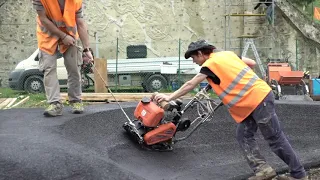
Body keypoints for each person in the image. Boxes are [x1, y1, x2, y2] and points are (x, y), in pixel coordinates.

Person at [153, 40, 307, 180]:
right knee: (243, 135)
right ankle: (263, 170)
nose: (194, 62)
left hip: (258, 100)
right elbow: (251, 63)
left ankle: (299, 175)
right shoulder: (227, 54)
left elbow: (190, 85)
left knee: (275, 139)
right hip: (252, 102)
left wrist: (169, 97)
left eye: (193, 58)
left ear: (200, 53)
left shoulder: (210, 65)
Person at [32, 0, 93, 117]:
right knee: (49, 68)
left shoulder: (77, 1)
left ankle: (76, 101)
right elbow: (43, 19)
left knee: (74, 67)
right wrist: (62, 36)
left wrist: (86, 49)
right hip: (47, 34)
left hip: (70, 35)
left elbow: (80, 23)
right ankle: (55, 104)